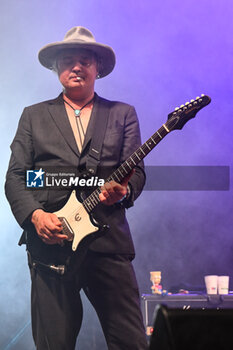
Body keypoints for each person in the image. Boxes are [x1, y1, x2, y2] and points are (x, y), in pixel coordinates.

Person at [5, 26, 148, 350]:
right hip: (50, 247)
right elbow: (18, 177)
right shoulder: (34, 116)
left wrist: (124, 191)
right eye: (68, 60)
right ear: (57, 69)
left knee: (132, 343)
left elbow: (136, 172)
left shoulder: (122, 114)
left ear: (98, 68)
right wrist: (37, 216)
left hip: (108, 244)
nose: (77, 67)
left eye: (85, 60)